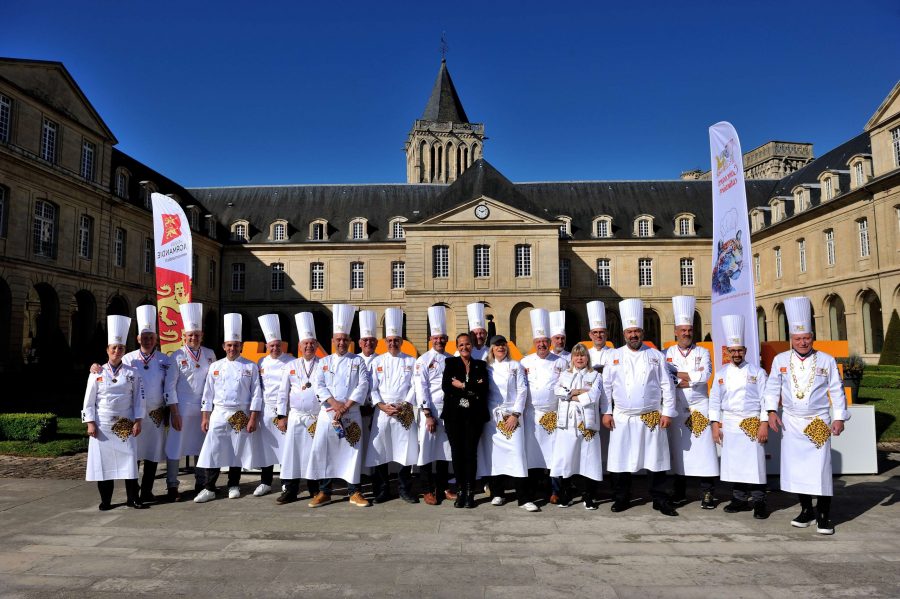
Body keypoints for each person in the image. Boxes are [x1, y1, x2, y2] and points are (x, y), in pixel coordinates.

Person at [764, 296, 849, 535]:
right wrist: (771, 411)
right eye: (798, 338)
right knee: (797, 469)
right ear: (792, 339)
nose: (803, 342)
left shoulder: (826, 360)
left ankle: (823, 514)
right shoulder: (781, 360)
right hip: (791, 420)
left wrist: (840, 417)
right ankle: (805, 510)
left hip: (817, 420)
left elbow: (836, 389)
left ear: (813, 338)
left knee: (820, 468)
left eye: (806, 338)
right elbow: (772, 388)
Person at [89, 305, 178, 503]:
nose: (147, 340)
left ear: (156, 339)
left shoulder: (165, 360)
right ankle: (134, 493)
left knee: (153, 455)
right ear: (138, 339)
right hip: (131, 415)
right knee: (133, 456)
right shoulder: (127, 358)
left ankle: (147, 490)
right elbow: (110, 371)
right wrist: (96, 367)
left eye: (151, 337)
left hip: (155, 414)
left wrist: (173, 411)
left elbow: (170, 388)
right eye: (144, 337)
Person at [602, 298, 679, 516]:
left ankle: (660, 499)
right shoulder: (614, 356)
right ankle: (621, 498)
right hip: (622, 417)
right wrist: (607, 411)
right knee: (621, 461)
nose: (633, 335)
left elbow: (667, 385)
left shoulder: (655, 356)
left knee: (656, 460)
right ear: (624, 334)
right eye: (630, 332)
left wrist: (667, 412)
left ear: (642, 333)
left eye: (637, 331)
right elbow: (606, 387)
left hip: (651, 416)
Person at [194, 313, 264, 503]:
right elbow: (207, 394)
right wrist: (205, 417)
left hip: (240, 412)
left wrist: (253, 418)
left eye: (235, 345)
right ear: (224, 346)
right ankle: (209, 487)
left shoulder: (250, 367)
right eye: (229, 345)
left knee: (236, 448)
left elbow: (257, 393)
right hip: (219, 412)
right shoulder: (215, 366)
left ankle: (234, 484)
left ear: (240, 346)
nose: (232, 348)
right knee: (213, 449)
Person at [307, 304, 371, 508]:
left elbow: (363, 384)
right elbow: (319, 385)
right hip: (329, 414)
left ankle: (354, 491)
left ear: (350, 341)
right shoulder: (324, 362)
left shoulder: (358, 361)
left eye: (345, 339)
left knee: (352, 450)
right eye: (338, 339)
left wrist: (346, 406)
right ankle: (325, 491)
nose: (342, 342)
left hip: (351, 414)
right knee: (325, 450)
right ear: (333, 341)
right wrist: (335, 404)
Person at [82, 315, 147, 510]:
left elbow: (139, 398)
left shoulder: (132, 373)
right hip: (103, 425)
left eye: (121, 348)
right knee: (104, 464)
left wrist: (138, 421)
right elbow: (89, 400)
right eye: (114, 348)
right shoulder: (97, 373)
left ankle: (132, 498)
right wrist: (90, 423)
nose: (117, 351)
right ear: (107, 351)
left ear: (124, 351)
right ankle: (106, 500)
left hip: (126, 423)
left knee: (129, 461)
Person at [710, 315, 770, 520]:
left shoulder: (758, 372)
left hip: (752, 421)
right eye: (732, 351)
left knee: (756, 464)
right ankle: (739, 499)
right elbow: (714, 401)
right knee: (734, 464)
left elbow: (766, 400)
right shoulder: (721, 374)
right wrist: (714, 426)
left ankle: (759, 501)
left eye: (739, 351)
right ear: (727, 352)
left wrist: (764, 424)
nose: (736, 354)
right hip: (730, 423)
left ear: (745, 351)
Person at [664, 295, 718, 508]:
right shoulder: (666, 353)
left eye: (689, 330)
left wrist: (680, 377)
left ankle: (707, 493)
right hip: (678, 410)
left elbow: (705, 376)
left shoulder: (703, 352)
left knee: (705, 452)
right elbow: (666, 380)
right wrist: (689, 377)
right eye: (682, 330)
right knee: (680, 452)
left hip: (700, 409)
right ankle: (679, 492)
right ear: (676, 331)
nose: (686, 333)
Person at [477, 335, 539, 512]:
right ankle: (498, 493)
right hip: (493, 417)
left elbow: (522, 390)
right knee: (495, 456)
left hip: (513, 415)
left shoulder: (516, 366)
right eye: (497, 345)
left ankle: (523, 498)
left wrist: (515, 414)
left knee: (518, 454)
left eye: (503, 345)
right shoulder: (486, 366)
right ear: (492, 349)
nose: (501, 348)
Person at [366, 308, 420, 503]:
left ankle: (405, 489)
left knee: (406, 450)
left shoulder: (411, 361)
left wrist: (405, 405)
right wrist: (381, 405)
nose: (392, 343)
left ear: (401, 341)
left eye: (396, 340)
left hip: (404, 411)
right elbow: (372, 388)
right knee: (380, 450)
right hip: (383, 412)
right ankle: (382, 490)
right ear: (385, 341)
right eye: (389, 340)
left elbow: (415, 385)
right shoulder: (377, 361)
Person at [165, 303, 215, 501]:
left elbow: (213, 384)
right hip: (182, 410)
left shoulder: (210, 354)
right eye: (190, 335)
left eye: (197, 334)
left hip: (203, 410)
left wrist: (210, 410)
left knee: (201, 448)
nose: (194, 338)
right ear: (183, 336)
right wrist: (174, 413)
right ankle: (172, 485)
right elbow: (169, 387)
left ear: (201, 335)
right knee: (175, 448)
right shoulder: (176, 356)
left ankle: (201, 483)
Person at [550, 343, 606, 509]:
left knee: (589, 459)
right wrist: (578, 392)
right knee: (568, 458)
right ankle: (565, 494)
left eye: (582, 355)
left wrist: (571, 394)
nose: (579, 358)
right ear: (572, 358)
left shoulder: (595, 375)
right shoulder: (564, 375)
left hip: (587, 423)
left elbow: (594, 396)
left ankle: (589, 496)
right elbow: (557, 390)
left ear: (587, 358)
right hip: (567, 423)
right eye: (576, 355)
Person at [521, 309, 567, 504]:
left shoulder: (561, 362)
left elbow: (566, 388)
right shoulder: (524, 362)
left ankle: (555, 491)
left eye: (544, 341)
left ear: (549, 342)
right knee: (533, 455)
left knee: (554, 455)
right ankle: (533, 491)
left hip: (552, 415)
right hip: (531, 415)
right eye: (538, 341)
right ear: (534, 343)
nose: (541, 344)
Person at [276, 313, 323, 504]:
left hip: (316, 417)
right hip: (295, 416)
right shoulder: (291, 365)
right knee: (292, 453)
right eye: (306, 343)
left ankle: (315, 488)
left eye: (312, 343)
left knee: (314, 452)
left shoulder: (324, 365)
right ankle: (291, 490)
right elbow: (282, 392)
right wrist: (281, 415)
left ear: (317, 345)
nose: (309, 346)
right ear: (300, 346)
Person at [441, 332, 489, 508]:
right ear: (457, 347)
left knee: (471, 453)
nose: (464, 347)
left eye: (467, 344)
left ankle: (470, 492)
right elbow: (446, 386)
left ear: (472, 345)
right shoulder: (450, 363)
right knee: (457, 453)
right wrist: (471, 388)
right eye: (461, 345)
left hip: (474, 416)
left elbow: (483, 389)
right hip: (454, 416)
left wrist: (461, 385)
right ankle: (460, 491)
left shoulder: (480, 365)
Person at [416, 305, 456, 505]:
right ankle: (426, 489)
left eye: (443, 338)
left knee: (444, 451)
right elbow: (420, 387)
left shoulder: (452, 360)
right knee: (427, 451)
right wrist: (427, 413)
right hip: (430, 412)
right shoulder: (423, 360)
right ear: (431, 339)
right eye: (436, 338)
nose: (439, 341)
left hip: (447, 412)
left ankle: (443, 487)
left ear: (446, 339)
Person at [255, 314, 293, 497]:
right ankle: (265, 482)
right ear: (267, 346)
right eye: (272, 346)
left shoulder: (291, 362)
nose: (275, 348)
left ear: (282, 345)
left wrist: (283, 413)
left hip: (284, 411)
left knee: (285, 448)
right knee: (266, 447)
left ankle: (286, 482)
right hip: (266, 409)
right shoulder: (261, 362)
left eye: (278, 345)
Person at [356, 309, 379, 480]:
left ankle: (375, 477)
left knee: (375, 445)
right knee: (357, 444)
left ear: (376, 343)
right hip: (357, 410)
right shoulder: (353, 360)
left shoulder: (382, 360)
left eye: (371, 340)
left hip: (376, 410)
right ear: (359, 342)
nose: (368, 343)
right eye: (365, 340)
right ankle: (359, 476)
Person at [586, 301, 612, 373]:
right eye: (595, 332)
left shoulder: (615, 353)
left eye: (601, 332)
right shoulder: (585, 354)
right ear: (590, 335)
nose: (598, 335)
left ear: (606, 334)